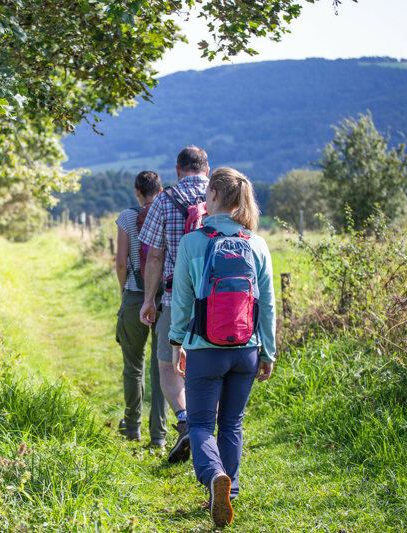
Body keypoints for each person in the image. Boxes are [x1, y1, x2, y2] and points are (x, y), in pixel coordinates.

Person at [169, 167, 276, 527]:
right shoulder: (256, 243)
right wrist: (268, 351)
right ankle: (228, 495)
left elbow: (182, 301)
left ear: (212, 195)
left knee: (200, 424)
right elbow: (268, 304)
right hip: (247, 348)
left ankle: (214, 476)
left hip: (203, 347)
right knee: (232, 423)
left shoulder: (193, 242)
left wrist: (176, 342)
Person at [139, 145, 210, 463]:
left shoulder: (165, 200)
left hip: (173, 298)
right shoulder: (225, 196)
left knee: (168, 365)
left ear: (178, 170)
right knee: (210, 367)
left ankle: (184, 419)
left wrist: (148, 300)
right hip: (217, 303)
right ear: (206, 170)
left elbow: (154, 256)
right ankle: (205, 429)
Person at [115, 171, 168, 446]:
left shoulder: (126, 217)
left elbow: (121, 263)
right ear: (160, 191)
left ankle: (133, 426)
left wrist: (125, 292)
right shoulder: (166, 214)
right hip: (164, 299)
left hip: (135, 295)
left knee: (133, 365)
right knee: (162, 368)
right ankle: (158, 434)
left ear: (137, 192)